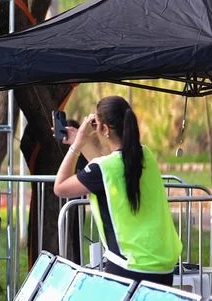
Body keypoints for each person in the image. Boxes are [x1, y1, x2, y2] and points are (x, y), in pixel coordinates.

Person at [53, 96, 180, 285]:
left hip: (128, 266)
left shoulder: (105, 168)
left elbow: (60, 187)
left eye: (96, 124)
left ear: (104, 129)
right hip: (162, 265)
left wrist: (76, 145)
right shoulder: (145, 155)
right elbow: (106, 168)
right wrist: (81, 141)